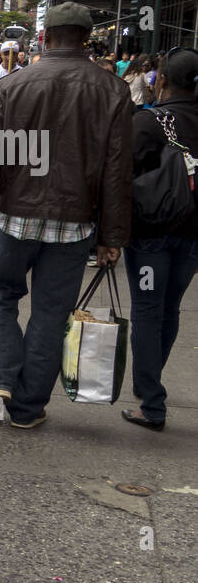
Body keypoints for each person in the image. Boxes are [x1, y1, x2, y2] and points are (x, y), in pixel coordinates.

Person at [0, 2, 134, 429]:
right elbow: (117, 171)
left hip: (14, 217)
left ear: (46, 37)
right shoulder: (113, 90)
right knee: (50, 314)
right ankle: (27, 408)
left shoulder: (14, 83)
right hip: (75, 222)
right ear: (87, 39)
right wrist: (112, 236)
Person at [121, 48, 198, 429]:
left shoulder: (150, 122)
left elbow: (122, 175)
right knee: (170, 309)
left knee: (148, 311)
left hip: (150, 234)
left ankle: (152, 402)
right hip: (192, 236)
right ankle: (147, 381)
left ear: (161, 80)